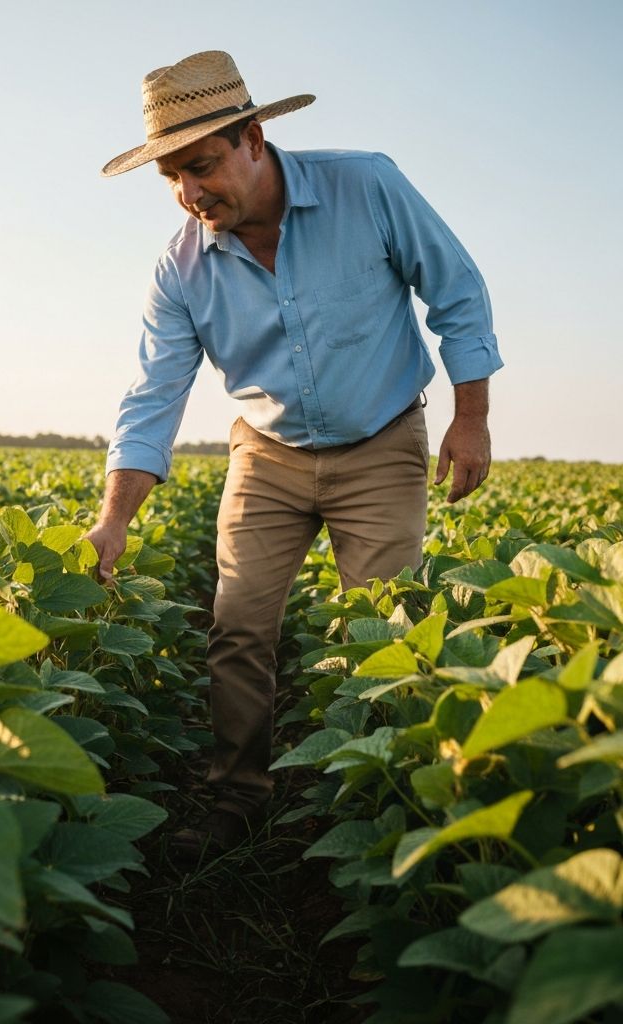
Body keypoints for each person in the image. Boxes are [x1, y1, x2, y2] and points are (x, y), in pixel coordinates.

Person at [84, 50, 503, 858]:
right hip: (266, 452)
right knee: (237, 628)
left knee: (382, 627)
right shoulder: (179, 271)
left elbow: (455, 287)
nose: (188, 193)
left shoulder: (367, 185)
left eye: (201, 166)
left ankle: (371, 804)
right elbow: (153, 398)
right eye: (171, 176)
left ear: (253, 135)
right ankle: (238, 795)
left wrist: (472, 415)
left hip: (383, 440)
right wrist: (113, 518)